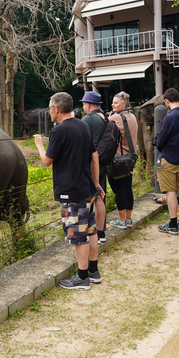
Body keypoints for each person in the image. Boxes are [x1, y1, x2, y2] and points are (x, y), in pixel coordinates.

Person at [34, 92, 104, 290]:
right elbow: (95, 156)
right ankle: (93, 270)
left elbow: (47, 161)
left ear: (56, 109)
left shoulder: (59, 131)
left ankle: (82, 277)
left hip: (71, 192)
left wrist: (40, 145)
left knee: (78, 235)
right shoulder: (84, 125)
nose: (49, 112)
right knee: (90, 230)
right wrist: (96, 182)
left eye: (49, 108)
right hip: (87, 188)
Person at [155, 88, 179, 235]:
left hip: (169, 159)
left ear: (167, 101)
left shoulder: (170, 117)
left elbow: (161, 140)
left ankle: (172, 224)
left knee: (170, 191)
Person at [107, 91, 139, 229]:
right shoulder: (132, 116)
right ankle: (128, 218)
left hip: (118, 159)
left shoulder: (115, 118)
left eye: (115, 103)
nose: (112, 104)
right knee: (127, 188)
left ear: (123, 104)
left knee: (119, 189)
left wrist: (109, 119)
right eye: (113, 102)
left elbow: (106, 133)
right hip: (130, 158)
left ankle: (121, 220)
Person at [80, 91, 108, 244]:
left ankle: (93, 233)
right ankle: (102, 233)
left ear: (88, 104)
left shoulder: (88, 119)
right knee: (100, 196)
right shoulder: (104, 117)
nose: (83, 106)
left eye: (84, 103)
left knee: (92, 198)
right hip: (102, 161)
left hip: (91, 163)